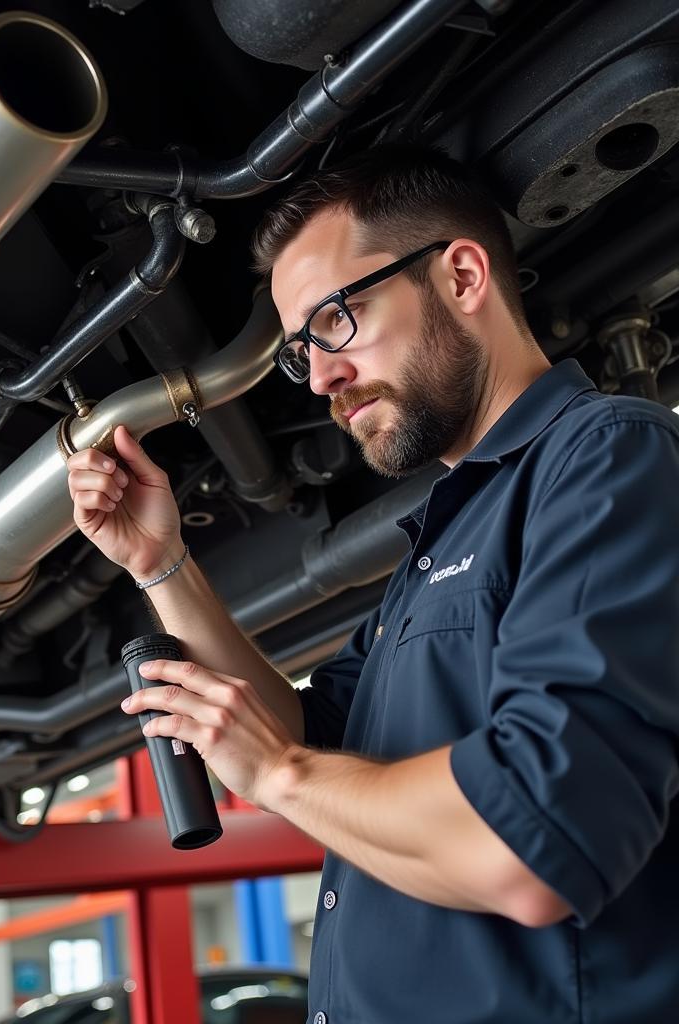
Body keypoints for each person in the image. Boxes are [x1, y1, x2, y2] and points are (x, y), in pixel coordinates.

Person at [65, 145, 679, 1023]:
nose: (319, 376)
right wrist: (162, 564)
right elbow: (325, 738)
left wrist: (278, 772)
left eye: (336, 320)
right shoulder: (451, 528)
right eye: (298, 352)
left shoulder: (605, 455)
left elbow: (539, 841)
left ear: (462, 274)